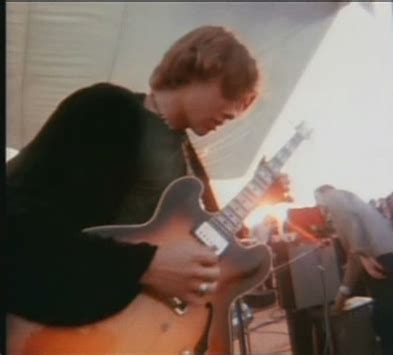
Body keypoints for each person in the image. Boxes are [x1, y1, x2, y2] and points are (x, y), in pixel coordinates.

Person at [6, 25, 290, 327]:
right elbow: (17, 226)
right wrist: (144, 266)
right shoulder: (106, 110)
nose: (234, 113)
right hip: (70, 330)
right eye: (232, 93)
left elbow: (206, 247)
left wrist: (260, 196)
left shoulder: (189, 159)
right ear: (202, 68)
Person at [314, 185, 393, 355]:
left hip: (384, 260)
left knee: (385, 324)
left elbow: (356, 251)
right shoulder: (352, 201)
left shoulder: (333, 197)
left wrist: (342, 294)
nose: (319, 208)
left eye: (317, 202)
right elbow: (355, 256)